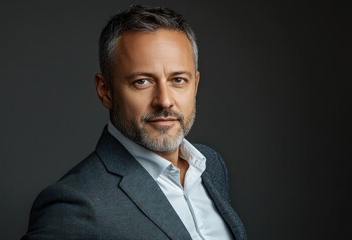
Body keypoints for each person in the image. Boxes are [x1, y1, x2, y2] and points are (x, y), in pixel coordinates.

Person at [22, 5, 246, 240]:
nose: (164, 101)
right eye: (142, 82)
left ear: (196, 85)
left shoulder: (211, 165)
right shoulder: (75, 204)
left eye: (178, 80)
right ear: (105, 90)